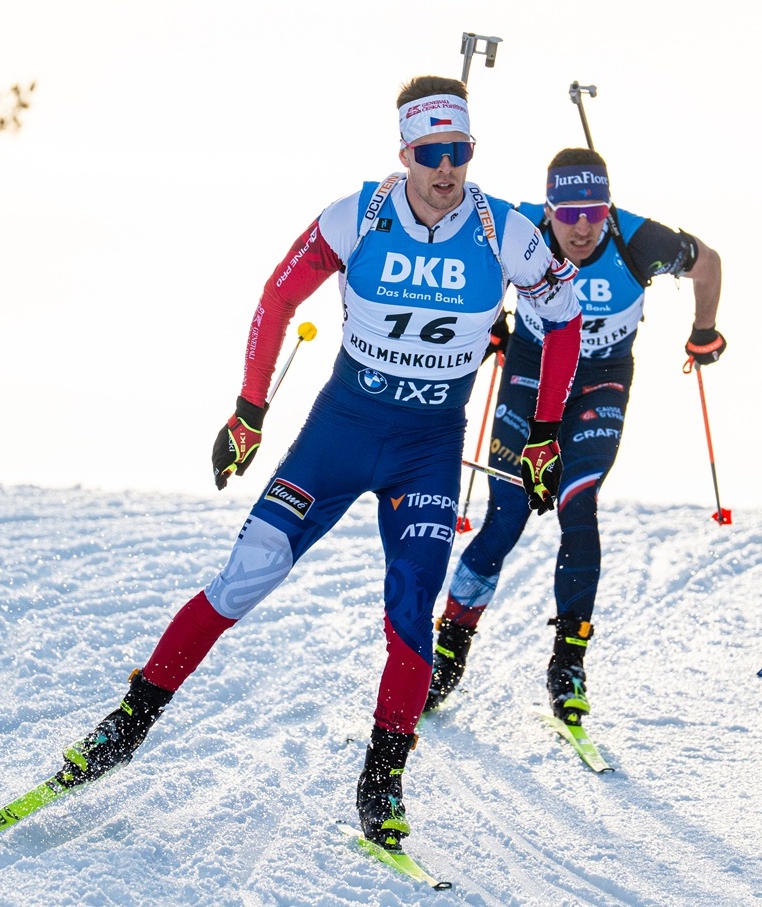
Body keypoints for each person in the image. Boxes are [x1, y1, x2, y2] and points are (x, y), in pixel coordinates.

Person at [46, 76, 583, 850]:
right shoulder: (357, 215)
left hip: (426, 450)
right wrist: (248, 411)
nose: (445, 168)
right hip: (341, 433)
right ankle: (126, 725)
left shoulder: (507, 232)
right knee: (246, 575)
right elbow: (277, 296)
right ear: (404, 152)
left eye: (459, 151)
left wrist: (544, 432)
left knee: (411, 614)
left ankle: (382, 780)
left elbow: (563, 319)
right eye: (430, 151)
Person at [425, 147, 725, 728]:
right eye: (567, 214)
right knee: (506, 517)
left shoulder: (640, 242)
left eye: (593, 212)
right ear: (549, 210)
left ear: (608, 208)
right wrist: (488, 324)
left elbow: (707, 263)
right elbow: (455, 248)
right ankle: (447, 656)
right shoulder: (521, 228)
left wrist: (704, 331)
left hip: (599, 384)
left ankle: (568, 665)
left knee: (577, 502)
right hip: (531, 376)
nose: (581, 228)